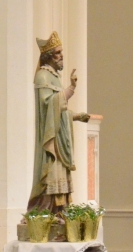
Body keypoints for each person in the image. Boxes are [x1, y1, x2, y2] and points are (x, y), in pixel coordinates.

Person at [27, 31, 90, 214]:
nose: (62, 56)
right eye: (58, 53)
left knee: (61, 174)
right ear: (48, 57)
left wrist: (77, 116)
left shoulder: (54, 76)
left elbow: (60, 111)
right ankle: (45, 214)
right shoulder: (42, 76)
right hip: (50, 139)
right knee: (51, 175)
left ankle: (60, 212)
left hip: (59, 136)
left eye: (61, 52)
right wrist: (71, 89)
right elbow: (49, 106)